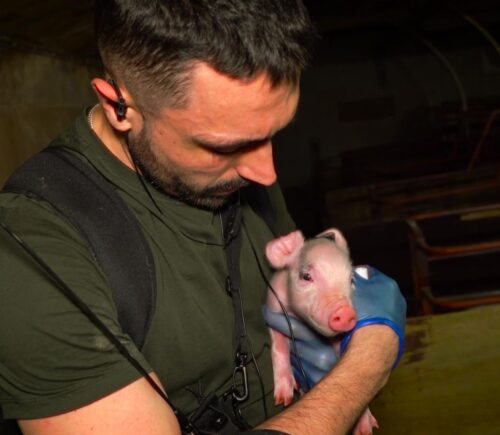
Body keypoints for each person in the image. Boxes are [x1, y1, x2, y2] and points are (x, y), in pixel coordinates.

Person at [0, 1, 405, 434]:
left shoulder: (237, 169)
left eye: (273, 134)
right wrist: (366, 361)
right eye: (225, 147)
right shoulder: (33, 252)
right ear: (119, 106)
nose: (265, 173)